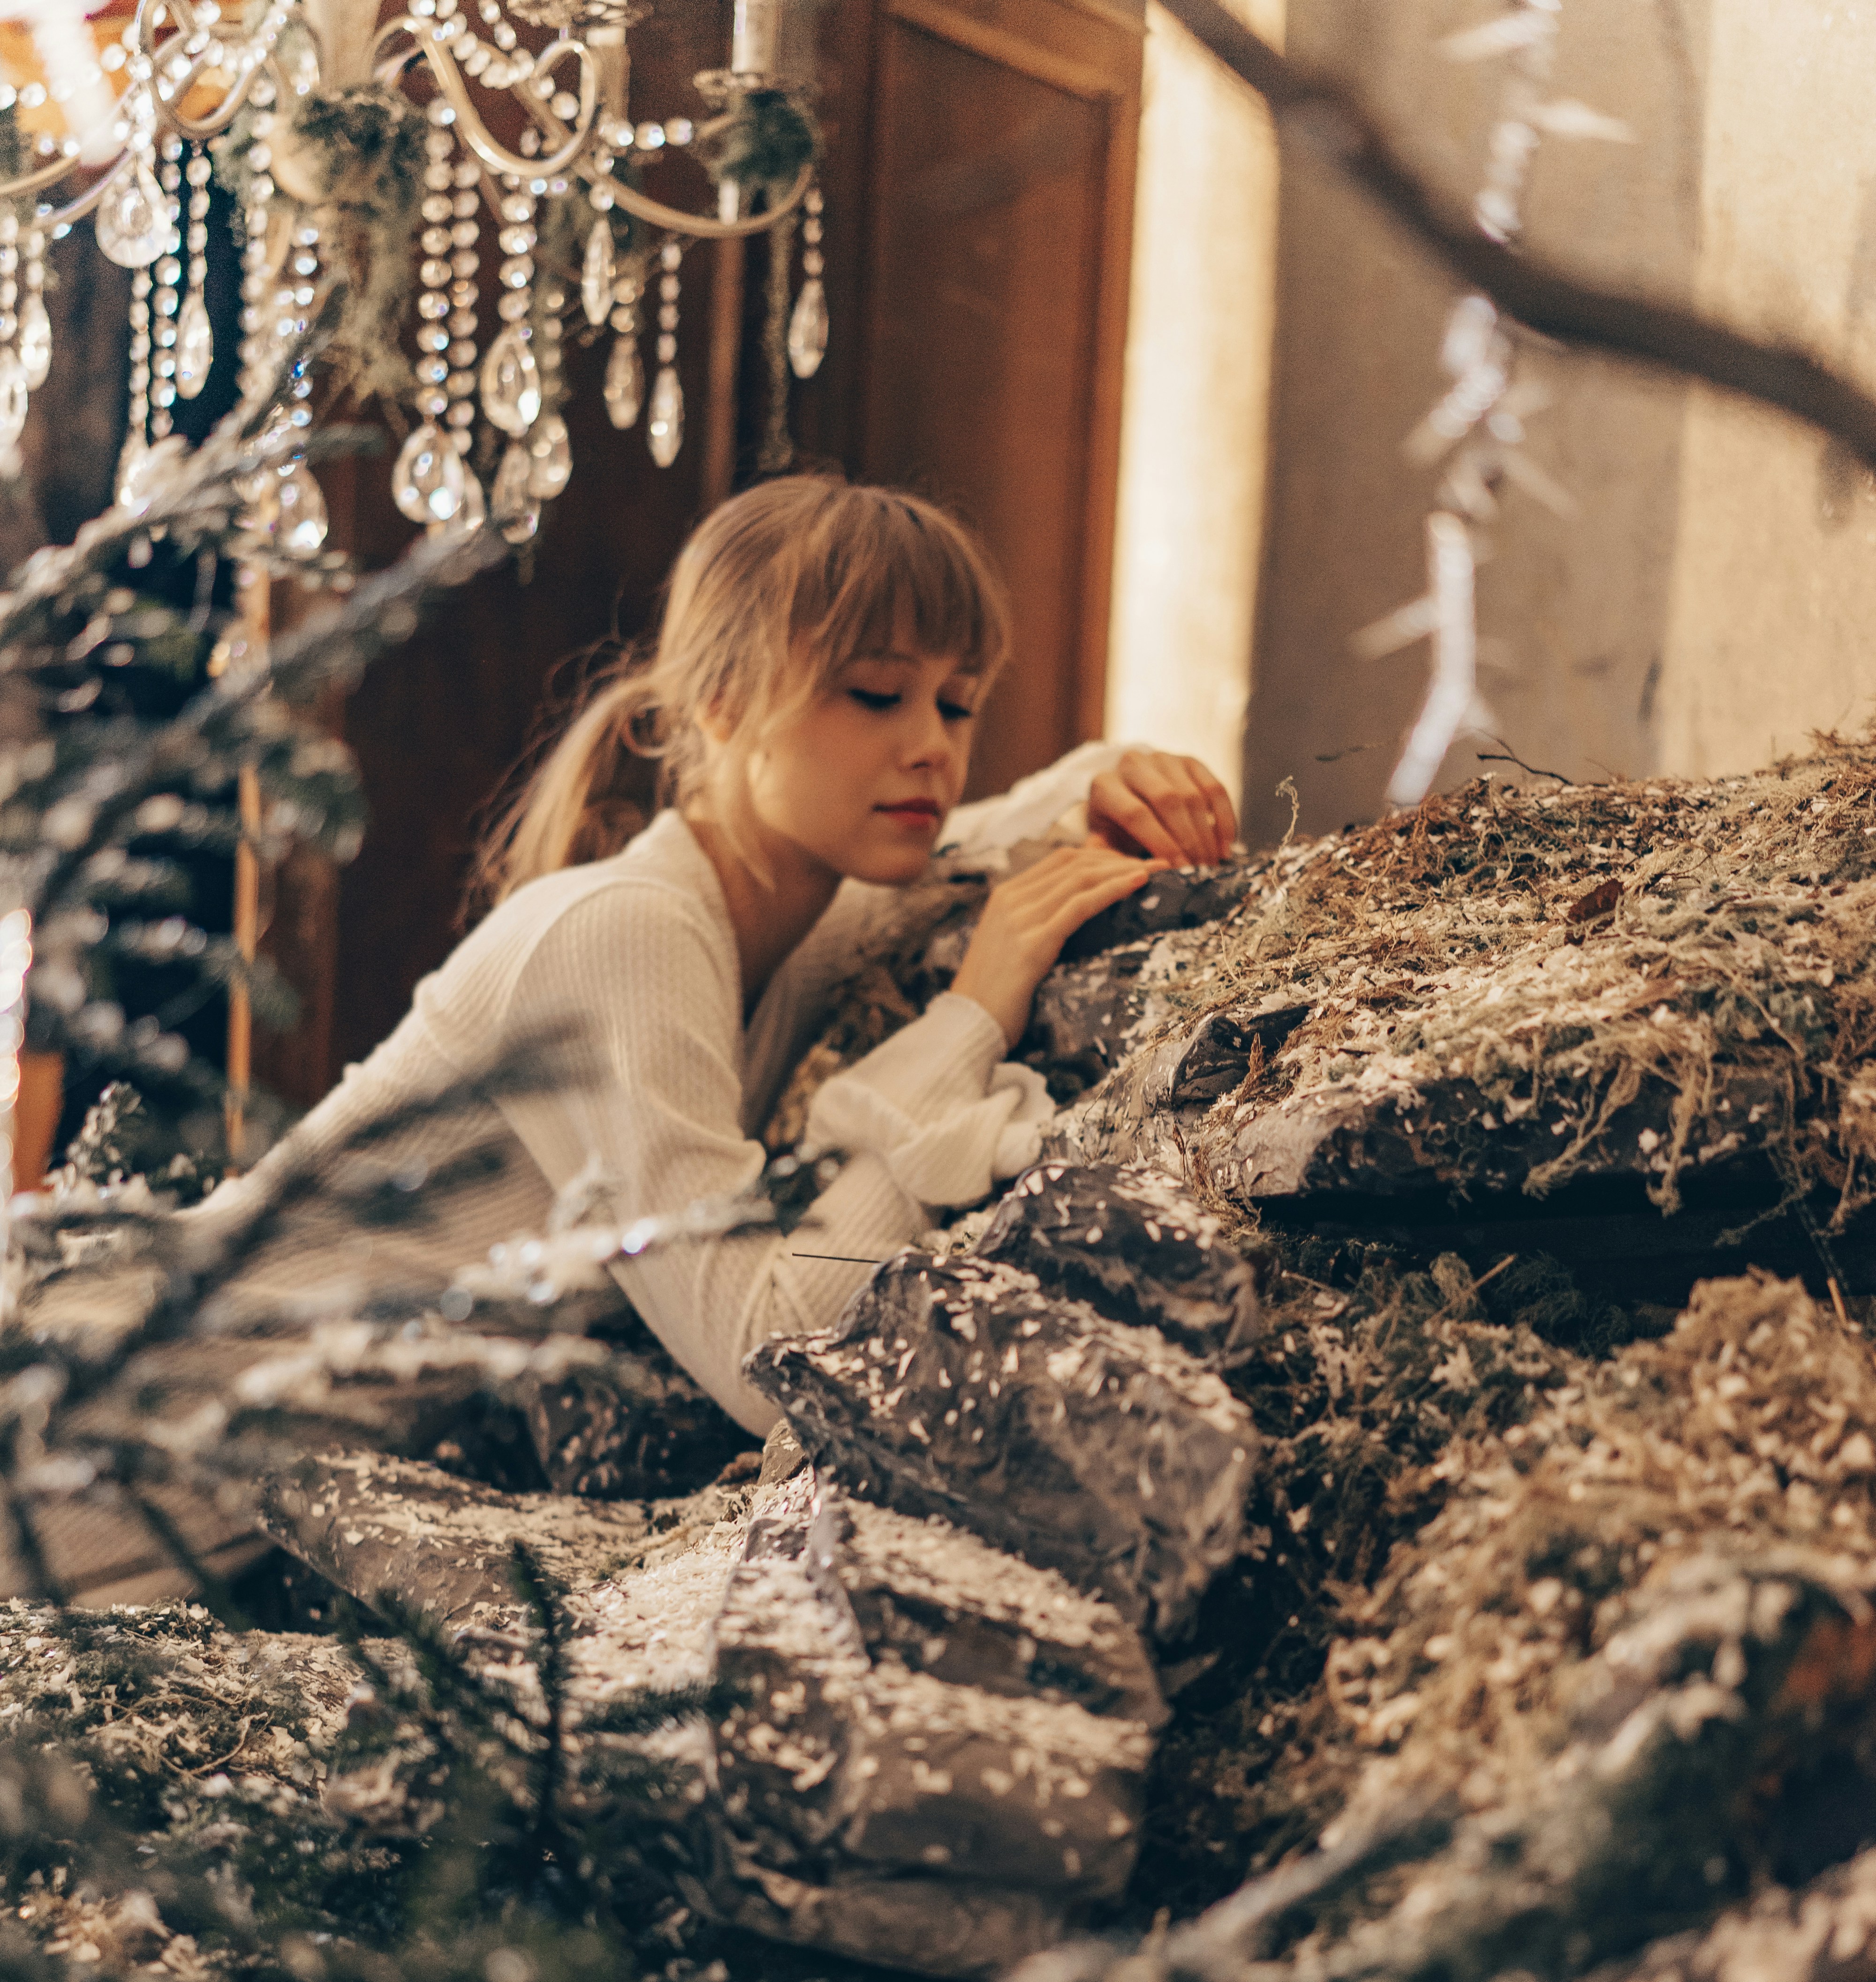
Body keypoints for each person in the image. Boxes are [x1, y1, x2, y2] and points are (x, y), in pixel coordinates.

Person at [103, 478, 1242, 1446]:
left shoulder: (787, 926)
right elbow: (769, 1362)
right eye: (877, 693)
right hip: (100, 1418)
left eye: (959, 702)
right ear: (726, 700)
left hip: (196, 1466)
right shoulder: (629, 932)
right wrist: (971, 1019)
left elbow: (972, 840)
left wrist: (1108, 775)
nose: (930, 747)